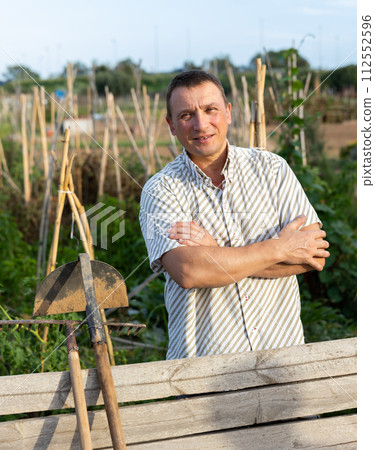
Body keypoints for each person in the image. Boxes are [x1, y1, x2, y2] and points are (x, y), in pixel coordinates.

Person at [139, 70, 329, 360]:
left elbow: (313, 254)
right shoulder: (160, 190)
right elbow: (189, 271)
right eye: (186, 115)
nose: (201, 124)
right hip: (203, 375)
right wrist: (279, 247)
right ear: (171, 125)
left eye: (210, 109)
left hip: (283, 363)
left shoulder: (272, 170)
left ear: (227, 113)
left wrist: (215, 254)